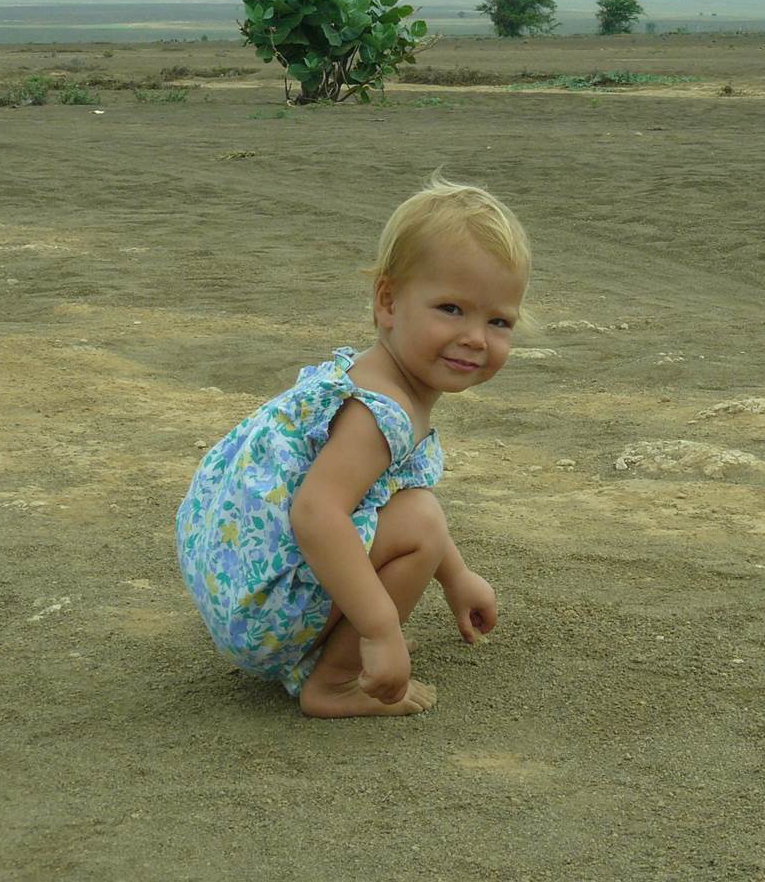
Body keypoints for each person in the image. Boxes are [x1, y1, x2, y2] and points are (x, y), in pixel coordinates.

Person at [176, 172, 529, 717]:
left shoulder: (368, 377)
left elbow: (388, 490)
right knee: (420, 523)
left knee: (414, 514)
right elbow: (317, 514)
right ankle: (334, 681)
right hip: (262, 609)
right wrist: (380, 629)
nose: (476, 337)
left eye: (498, 320)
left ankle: (321, 648)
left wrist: (457, 577)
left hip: (243, 585)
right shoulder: (377, 412)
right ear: (388, 302)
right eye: (451, 309)